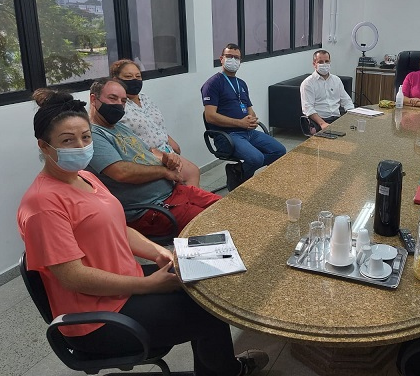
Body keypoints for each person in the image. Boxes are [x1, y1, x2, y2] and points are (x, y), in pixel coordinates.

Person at [17, 88, 268, 375]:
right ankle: (228, 370)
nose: (80, 146)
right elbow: (73, 277)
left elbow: (118, 228)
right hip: (97, 319)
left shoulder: (84, 177)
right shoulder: (42, 205)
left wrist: (161, 252)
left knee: (206, 282)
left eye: (85, 137)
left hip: (124, 284)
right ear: (44, 146)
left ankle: (217, 368)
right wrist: (149, 285)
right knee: (209, 310)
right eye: (67, 140)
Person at [87, 78, 221, 237]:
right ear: (94, 99)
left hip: (175, 193)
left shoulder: (118, 127)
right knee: (217, 224)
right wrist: (164, 172)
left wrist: (166, 158)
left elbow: (148, 150)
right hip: (152, 210)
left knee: (229, 209)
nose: (119, 105)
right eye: (112, 98)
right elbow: (121, 172)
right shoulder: (92, 135)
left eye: (123, 101)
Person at [201, 43, 286, 190]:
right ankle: (242, 184)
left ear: (240, 61)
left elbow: (250, 110)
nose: (233, 60)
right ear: (221, 59)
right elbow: (210, 116)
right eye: (229, 56)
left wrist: (252, 119)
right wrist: (240, 123)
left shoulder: (241, 83)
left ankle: (237, 170)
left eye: (236, 58)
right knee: (256, 158)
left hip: (248, 132)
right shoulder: (213, 83)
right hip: (227, 136)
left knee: (280, 151)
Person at [109, 59, 201, 187]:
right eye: (128, 77)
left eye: (138, 76)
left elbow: (154, 124)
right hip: (146, 155)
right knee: (191, 173)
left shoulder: (144, 98)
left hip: (166, 149)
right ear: (116, 79)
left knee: (190, 174)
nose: (135, 80)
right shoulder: (118, 105)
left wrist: (169, 141)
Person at [300, 49, 354, 132]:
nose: (324, 64)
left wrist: (352, 115)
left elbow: (346, 101)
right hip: (318, 121)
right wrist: (322, 123)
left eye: (327, 61)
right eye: (320, 62)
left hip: (337, 118)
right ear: (314, 64)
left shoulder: (336, 80)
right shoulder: (308, 83)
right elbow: (308, 108)